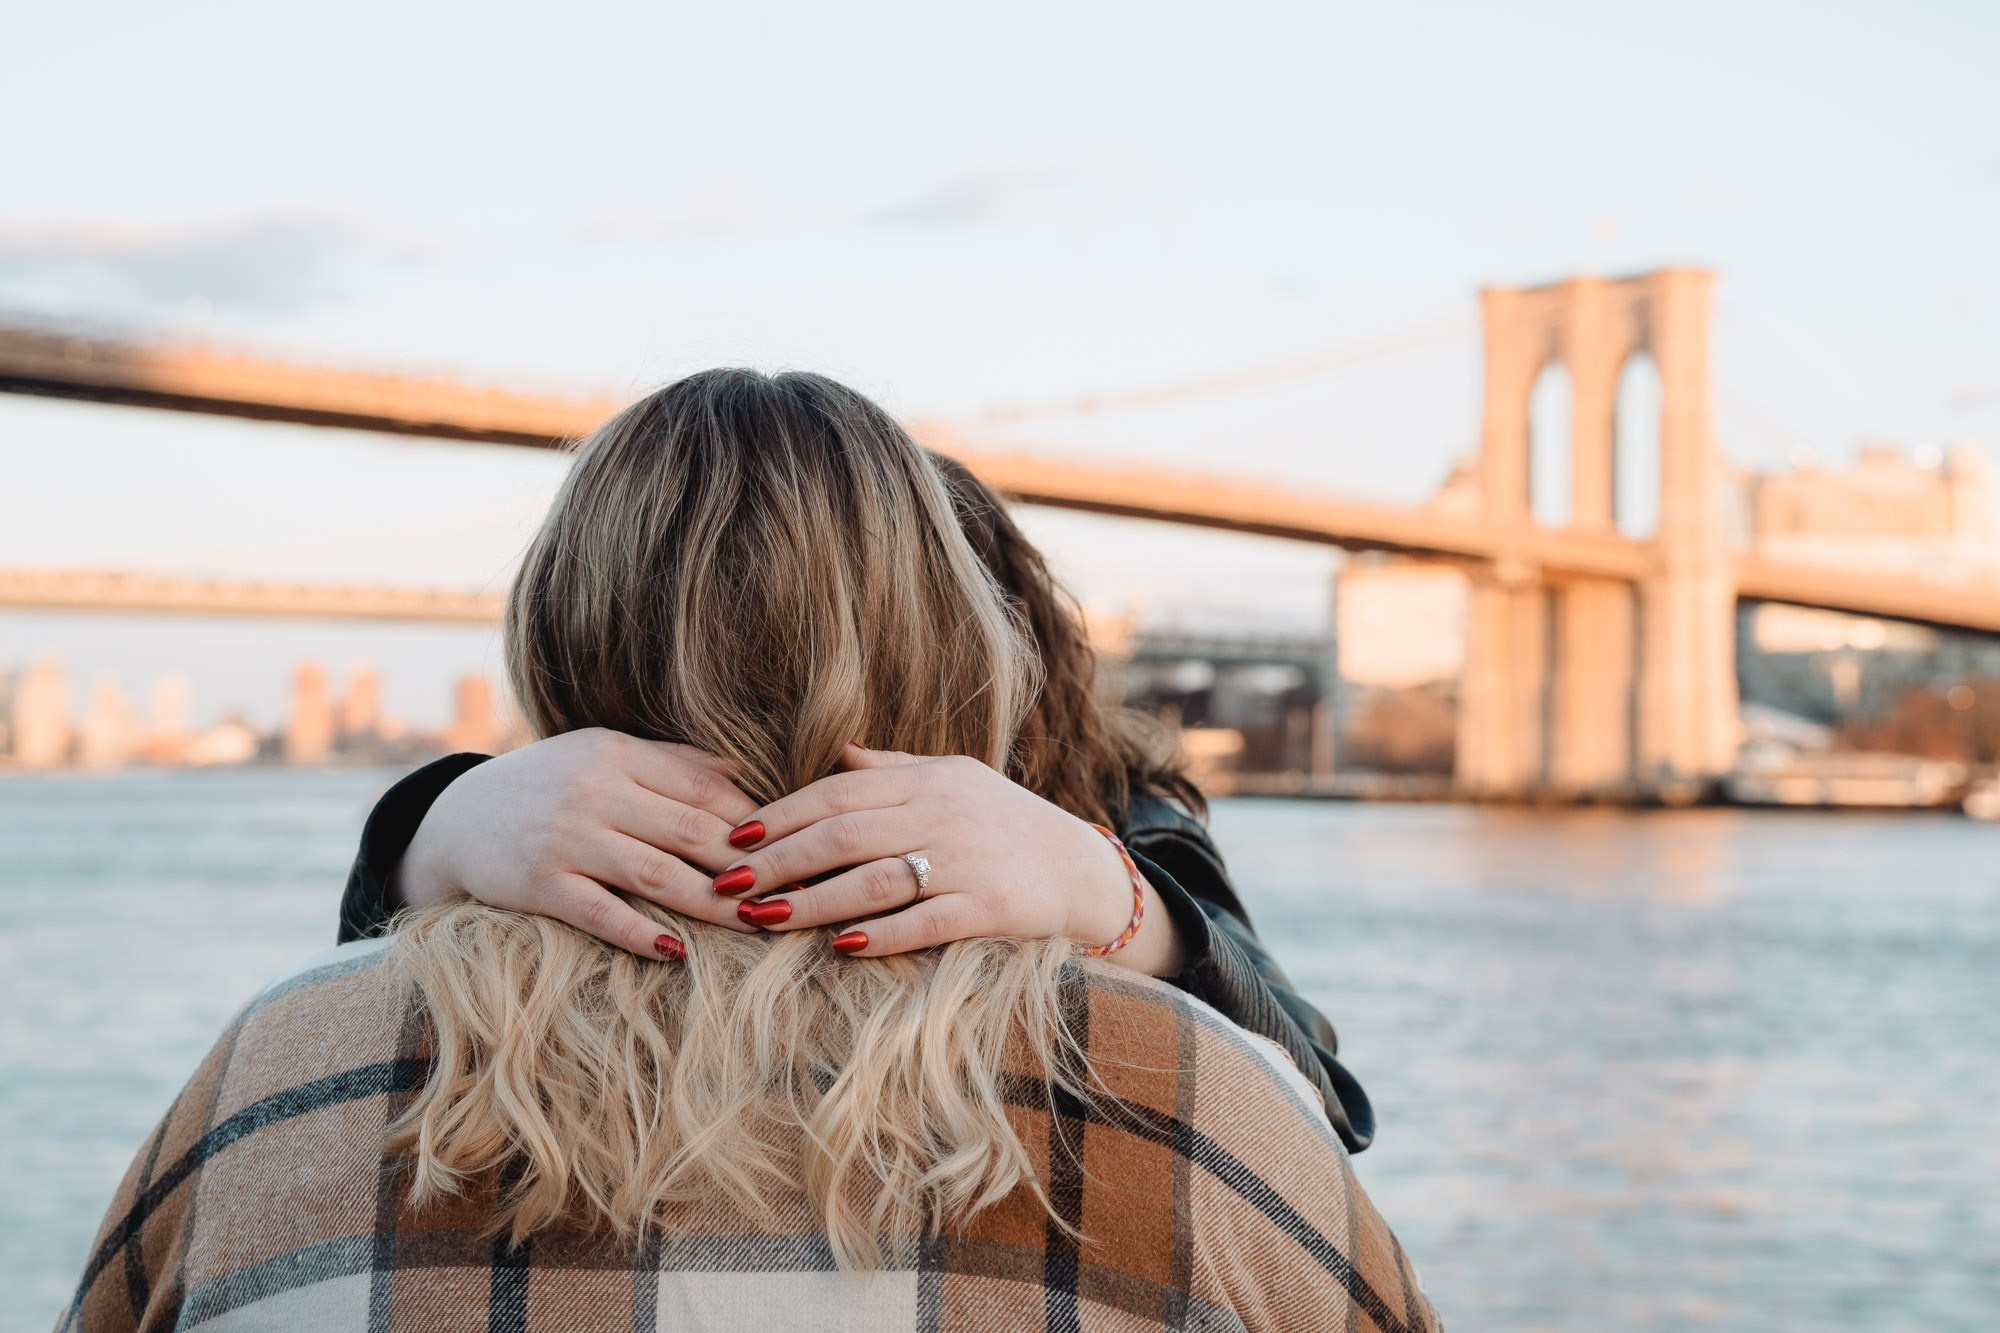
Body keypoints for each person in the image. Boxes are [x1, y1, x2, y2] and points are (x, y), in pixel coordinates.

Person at [68, 370, 1436, 1331]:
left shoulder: (279, 1077)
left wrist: (1110, 885)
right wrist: (442, 829)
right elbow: (1310, 1101)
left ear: (555, 640)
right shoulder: (1199, 1108)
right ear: (971, 657)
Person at [337, 455, 1375, 1153]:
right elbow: (374, 1034)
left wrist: (1107, 891)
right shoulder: (580, 803)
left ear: (985, 638)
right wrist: (431, 837)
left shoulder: (1120, 809)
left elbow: (1321, 1102)